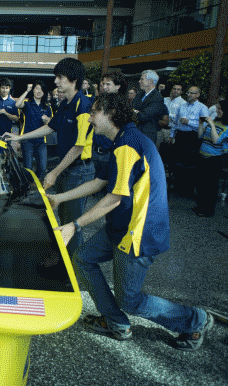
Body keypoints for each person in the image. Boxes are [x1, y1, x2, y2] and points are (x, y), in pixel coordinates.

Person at [47, 92, 214, 351]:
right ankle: (116, 323)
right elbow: (100, 181)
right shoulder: (122, 139)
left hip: (138, 230)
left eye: (94, 112)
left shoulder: (127, 144)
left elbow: (114, 198)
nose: (89, 118)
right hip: (120, 225)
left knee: (130, 300)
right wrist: (59, 198)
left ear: (110, 114)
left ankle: (194, 320)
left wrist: (74, 225)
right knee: (83, 258)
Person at [3, 57, 94, 256]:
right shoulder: (66, 103)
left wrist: (54, 172)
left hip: (78, 171)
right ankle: (66, 261)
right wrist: (20, 136)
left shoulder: (83, 106)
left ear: (73, 79)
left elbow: (79, 146)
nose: (56, 82)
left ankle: (75, 272)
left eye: (60, 77)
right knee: (63, 217)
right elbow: (49, 127)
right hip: (67, 168)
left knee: (73, 224)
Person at [169, 85, 209, 193]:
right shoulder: (182, 106)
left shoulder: (202, 107)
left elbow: (205, 126)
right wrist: (172, 135)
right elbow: (176, 122)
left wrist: (189, 122)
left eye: (192, 93)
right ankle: (178, 185)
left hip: (193, 137)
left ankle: (188, 188)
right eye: (188, 92)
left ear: (198, 95)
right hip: (181, 135)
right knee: (178, 160)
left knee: (190, 162)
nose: (189, 95)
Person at [194, 99, 227, 217]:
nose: (217, 111)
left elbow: (216, 140)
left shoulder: (226, 128)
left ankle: (208, 210)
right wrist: (201, 123)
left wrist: (212, 125)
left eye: (219, 109)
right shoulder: (214, 121)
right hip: (202, 156)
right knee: (201, 183)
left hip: (214, 159)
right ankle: (200, 206)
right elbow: (200, 135)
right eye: (217, 108)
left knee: (210, 186)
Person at [15, 81, 51, 179]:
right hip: (27, 140)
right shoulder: (27, 104)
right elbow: (17, 104)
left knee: (43, 167)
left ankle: (37, 184)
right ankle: (28, 185)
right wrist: (27, 91)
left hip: (41, 140)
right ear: (33, 90)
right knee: (28, 167)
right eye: (37, 89)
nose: (39, 91)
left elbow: (52, 124)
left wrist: (47, 120)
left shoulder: (47, 107)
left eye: (41, 90)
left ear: (44, 93)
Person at [132, 70, 166, 144]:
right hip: (134, 134)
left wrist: (136, 112)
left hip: (146, 137)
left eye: (142, 79)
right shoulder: (139, 95)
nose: (139, 81)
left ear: (150, 81)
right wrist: (136, 112)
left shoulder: (157, 98)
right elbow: (130, 109)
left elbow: (142, 116)